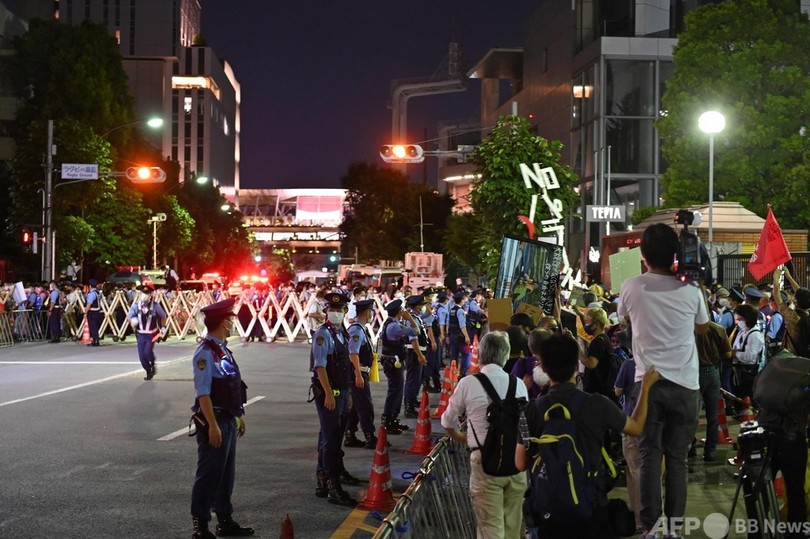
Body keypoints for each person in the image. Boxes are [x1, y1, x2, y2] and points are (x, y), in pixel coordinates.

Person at [517, 333, 659, 539]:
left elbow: (520, 462)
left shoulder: (532, 409)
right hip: (591, 507)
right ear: (576, 365)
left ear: (543, 368)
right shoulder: (597, 403)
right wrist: (645, 388)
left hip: (549, 512)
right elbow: (636, 428)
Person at [617, 223, 709, 538]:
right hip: (685, 386)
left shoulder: (630, 286)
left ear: (642, 254)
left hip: (647, 385)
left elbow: (625, 319)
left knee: (649, 457)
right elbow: (702, 328)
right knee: (678, 460)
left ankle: (649, 527)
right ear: (676, 254)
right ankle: (675, 528)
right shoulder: (692, 290)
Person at [441, 331, 528, 539]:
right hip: (516, 463)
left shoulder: (468, 383)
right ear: (505, 355)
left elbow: (447, 421)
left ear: (480, 354)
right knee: (513, 527)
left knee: (490, 528)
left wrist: (464, 439)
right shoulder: (519, 384)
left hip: (484, 463)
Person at [190, 298, 253, 538]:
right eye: (231, 319)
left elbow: (231, 386)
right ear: (223, 322)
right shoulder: (206, 353)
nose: (233, 323)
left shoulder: (222, 349)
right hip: (213, 420)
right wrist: (213, 426)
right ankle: (200, 525)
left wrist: (238, 416)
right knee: (209, 474)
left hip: (227, 418)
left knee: (226, 474)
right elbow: (203, 393)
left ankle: (224, 520)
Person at [310, 292, 360, 507]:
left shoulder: (341, 333)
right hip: (330, 394)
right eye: (333, 309)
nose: (336, 313)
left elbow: (344, 366)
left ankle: (324, 477)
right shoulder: (323, 334)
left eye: (340, 310)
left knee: (331, 437)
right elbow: (319, 366)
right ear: (326, 310)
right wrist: (329, 393)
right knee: (331, 440)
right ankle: (332, 486)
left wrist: (347, 394)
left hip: (342, 391)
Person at [691, 314, 732, 462]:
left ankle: (690, 447)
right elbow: (727, 353)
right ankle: (710, 452)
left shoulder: (686, 328)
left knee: (692, 415)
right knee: (712, 416)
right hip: (714, 373)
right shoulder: (718, 329)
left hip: (692, 373)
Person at [379, 299, 420, 434]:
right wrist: (409, 318)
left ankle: (393, 419)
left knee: (397, 390)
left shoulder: (388, 324)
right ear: (399, 312)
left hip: (390, 361)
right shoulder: (395, 326)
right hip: (393, 362)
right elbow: (416, 331)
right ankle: (388, 419)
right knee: (395, 391)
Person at [343, 298, 380, 449]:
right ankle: (369, 436)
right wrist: (358, 374)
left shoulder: (361, 328)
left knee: (357, 407)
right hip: (357, 373)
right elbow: (353, 354)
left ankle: (350, 434)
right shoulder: (357, 329)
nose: (372, 314)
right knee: (365, 406)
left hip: (361, 372)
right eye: (371, 311)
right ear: (366, 312)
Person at [127, 284, 168, 380]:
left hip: (152, 334)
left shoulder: (156, 306)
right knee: (142, 356)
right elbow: (129, 316)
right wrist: (132, 321)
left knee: (147, 351)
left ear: (150, 295)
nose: (144, 295)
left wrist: (163, 327)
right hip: (140, 334)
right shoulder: (137, 305)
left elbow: (163, 316)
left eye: (147, 293)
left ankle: (152, 363)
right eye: (143, 293)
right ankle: (148, 370)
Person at [731, 303, 765, 402]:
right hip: (740, 371)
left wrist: (734, 354)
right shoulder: (742, 331)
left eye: (739, 319)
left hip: (749, 373)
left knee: (747, 397)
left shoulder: (755, 335)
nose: (736, 322)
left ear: (747, 318)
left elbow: (749, 357)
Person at [403, 295, 429, 418]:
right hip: (414, 353)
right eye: (422, 305)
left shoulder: (416, 318)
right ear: (417, 306)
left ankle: (412, 400)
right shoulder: (411, 319)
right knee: (412, 380)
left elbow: (429, 314)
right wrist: (419, 355)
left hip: (417, 352)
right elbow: (413, 339)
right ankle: (409, 406)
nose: (424, 307)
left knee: (416, 379)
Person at [448, 291, 472, 375]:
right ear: (461, 300)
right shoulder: (460, 311)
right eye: (464, 299)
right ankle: (462, 373)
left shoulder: (452, 310)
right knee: (467, 354)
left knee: (454, 356)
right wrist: (466, 336)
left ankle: (453, 373)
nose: (465, 301)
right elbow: (462, 325)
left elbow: (449, 323)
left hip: (453, 335)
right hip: (460, 336)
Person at [84, 279, 104, 346]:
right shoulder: (97, 292)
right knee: (95, 326)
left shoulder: (92, 294)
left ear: (90, 286)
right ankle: (95, 340)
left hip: (92, 312)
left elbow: (89, 304)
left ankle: (95, 341)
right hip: (97, 311)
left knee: (93, 327)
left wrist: (85, 312)